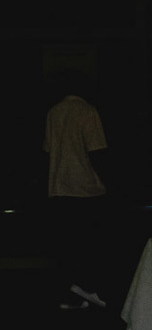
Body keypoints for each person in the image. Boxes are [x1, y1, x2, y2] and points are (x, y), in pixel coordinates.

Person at [44, 82, 109, 309]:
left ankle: (71, 293)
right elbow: (96, 150)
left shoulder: (54, 112)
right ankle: (88, 288)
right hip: (85, 188)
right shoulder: (87, 111)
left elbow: (48, 151)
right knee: (90, 244)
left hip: (59, 187)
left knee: (68, 244)